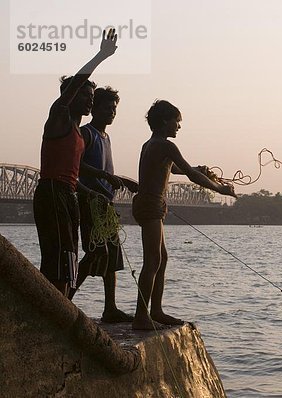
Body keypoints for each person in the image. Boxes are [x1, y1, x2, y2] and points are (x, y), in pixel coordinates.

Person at [131, 100, 237, 330]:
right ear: (164, 122)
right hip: (150, 206)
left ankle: (156, 310)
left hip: (149, 205)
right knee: (153, 261)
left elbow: (176, 168)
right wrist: (221, 189)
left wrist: (199, 169)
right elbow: (189, 175)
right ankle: (141, 316)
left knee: (162, 259)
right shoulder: (166, 146)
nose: (178, 126)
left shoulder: (151, 144)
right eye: (176, 122)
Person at [34, 29, 120, 297]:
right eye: (85, 95)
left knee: (69, 255)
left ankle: (62, 304)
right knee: (58, 256)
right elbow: (76, 83)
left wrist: (92, 192)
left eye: (91, 96)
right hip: (51, 193)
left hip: (69, 194)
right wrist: (101, 55)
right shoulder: (59, 118)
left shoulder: (78, 135)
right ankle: (52, 311)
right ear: (71, 97)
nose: (90, 99)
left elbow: (73, 175)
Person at [68, 86, 139, 323]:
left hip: (106, 204)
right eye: (107, 108)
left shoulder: (106, 137)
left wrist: (126, 182)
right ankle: (66, 297)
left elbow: (107, 170)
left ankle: (110, 308)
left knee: (112, 257)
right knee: (97, 253)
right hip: (90, 202)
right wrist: (105, 177)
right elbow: (76, 164)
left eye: (114, 108)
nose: (112, 112)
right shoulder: (87, 133)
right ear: (95, 109)